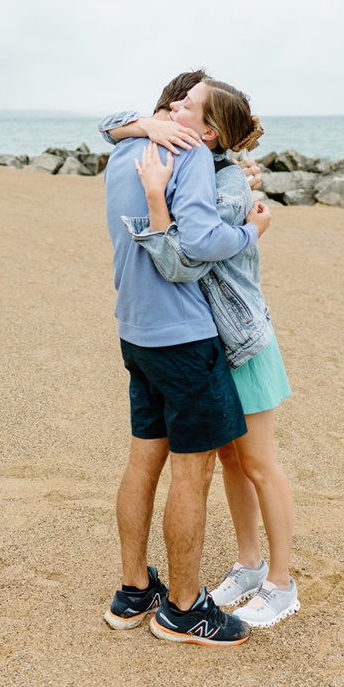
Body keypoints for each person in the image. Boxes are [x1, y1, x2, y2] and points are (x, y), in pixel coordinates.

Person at [107, 78, 300, 629]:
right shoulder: (178, 156)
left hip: (235, 339)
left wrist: (248, 226)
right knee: (226, 462)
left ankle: (279, 583)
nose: (171, 111)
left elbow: (185, 258)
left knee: (253, 462)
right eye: (171, 103)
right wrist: (250, 230)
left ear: (208, 130)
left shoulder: (196, 170)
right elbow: (187, 257)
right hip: (195, 340)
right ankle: (239, 570)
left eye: (184, 107)